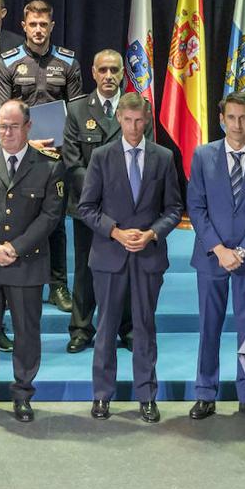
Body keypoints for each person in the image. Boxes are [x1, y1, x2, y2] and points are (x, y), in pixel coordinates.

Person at [78, 92, 182, 424]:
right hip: (110, 256)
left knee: (144, 327)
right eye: (128, 120)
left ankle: (146, 396)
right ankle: (102, 395)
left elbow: (174, 209)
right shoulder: (101, 156)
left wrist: (151, 233)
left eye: (139, 121)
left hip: (148, 255)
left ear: (147, 120)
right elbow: (86, 208)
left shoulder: (163, 157)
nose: (134, 127)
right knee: (106, 327)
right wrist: (116, 232)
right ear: (120, 119)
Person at [0, 99, 65, 423]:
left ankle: (23, 394)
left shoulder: (49, 165)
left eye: (13, 126)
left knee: (26, 333)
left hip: (27, 264)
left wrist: (16, 248)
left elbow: (50, 216)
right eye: (2, 126)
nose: (6, 132)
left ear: (28, 127)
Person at [187, 92, 245, 421]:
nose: (237, 125)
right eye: (231, 118)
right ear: (221, 119)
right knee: (208, 327)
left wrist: (241, 251)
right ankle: (205, 393)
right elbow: (195, 207)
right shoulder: (202, 155)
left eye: (243, 118)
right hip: (212, 257)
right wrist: (220, 249)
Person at [0, 0, 83, 314]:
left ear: (52, 26)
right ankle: (11, 283)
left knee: (55, 222)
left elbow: (77, 113)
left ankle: (58, 285)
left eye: (44, 25)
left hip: (56, 157)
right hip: (20, 154)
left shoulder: (68, 62)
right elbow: (1, 113)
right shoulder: (9, 62)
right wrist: (27, 142)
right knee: (16, 220)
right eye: (33, 24)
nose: (39, 30)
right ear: (24, 26)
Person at [61, 50, 142, 353]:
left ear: (123, 73)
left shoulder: (137, 108)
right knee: (85, 269)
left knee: (126, 268)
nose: (109, 76)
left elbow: (145, 156)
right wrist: (100, 196)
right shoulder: (78, 110)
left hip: (128, 208)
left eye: (115, 70)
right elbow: (71, 162)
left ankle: (128, 328)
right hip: (89, 208)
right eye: (103, 70)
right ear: (93, 73)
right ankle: (81, 329)